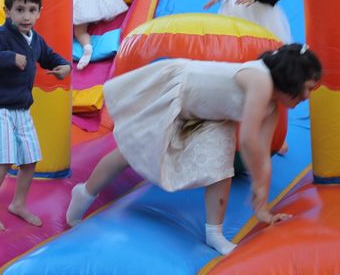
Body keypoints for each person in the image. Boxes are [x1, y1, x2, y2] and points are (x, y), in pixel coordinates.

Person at [65, 43, 321, 255]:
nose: (308, 98)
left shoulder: (274, 108)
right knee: (130, 152)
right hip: (179, 93)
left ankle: (215, 233)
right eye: (308, 88)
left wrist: (263, 202)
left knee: (220, 167)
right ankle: (85, 192)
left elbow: (262, 152)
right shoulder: (260, 80)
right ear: (292, 78)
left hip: (212, 115)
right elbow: (249, 140)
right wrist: (258, 185)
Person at [0, 0, 71, 231]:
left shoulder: (35, 39)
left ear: (39, 12)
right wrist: (8, 58)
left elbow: (50, 57)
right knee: (3, 161)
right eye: (20, 10)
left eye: (32, 10)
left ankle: (18, 204)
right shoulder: (2, 36)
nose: (26, 16)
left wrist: (63, 67)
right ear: (7, 11)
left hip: (22, 109)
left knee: (29, 160)